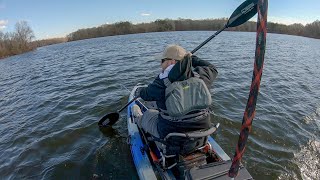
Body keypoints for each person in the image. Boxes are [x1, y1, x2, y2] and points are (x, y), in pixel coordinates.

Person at [133, 44, 218, 140]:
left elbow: (144, 94)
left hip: (170, 136)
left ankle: (138, 118)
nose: (161, 64)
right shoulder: (202, 76)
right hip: (202, 132)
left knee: (148, 114)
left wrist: (139, 90)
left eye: (162, 60)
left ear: (171, 62)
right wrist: (191, 58)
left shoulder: (160, 83)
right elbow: (212, 68)